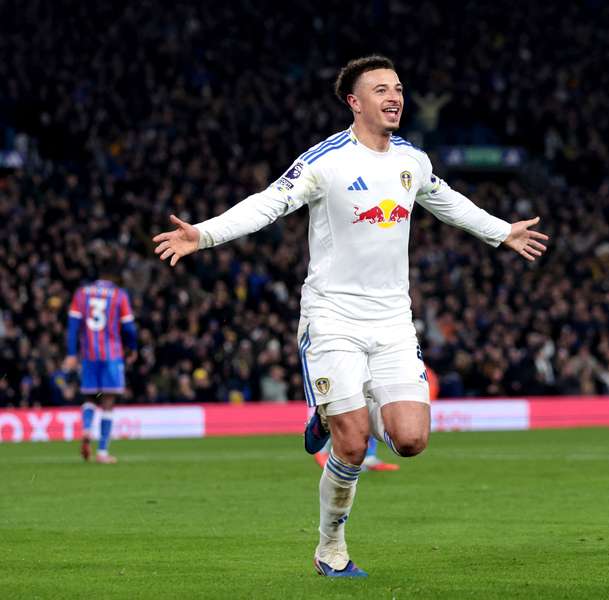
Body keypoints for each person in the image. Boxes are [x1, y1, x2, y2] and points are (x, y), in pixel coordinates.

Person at [151, 55, 547, 577]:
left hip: (392, 322)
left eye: (400, 87)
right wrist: (203, 233)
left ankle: (334, 406)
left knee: (410, 440)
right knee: (354, 443)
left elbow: (449, 202)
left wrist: (503, 231)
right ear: (354, 103)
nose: (395, 96)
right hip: (332, 316)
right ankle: (330, 547)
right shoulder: (326, 160)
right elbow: (267, 203)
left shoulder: (413, 160)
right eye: (382, 88)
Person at [64, 256, 138, 464]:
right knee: (108, 402)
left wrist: (71, 353)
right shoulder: (118, 295)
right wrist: (132, 348)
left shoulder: (81, 294)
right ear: (115, 276)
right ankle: (102, 451)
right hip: (112, 355)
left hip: (88, 355)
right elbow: (130, 328)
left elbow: (72, 327)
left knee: (89, 397)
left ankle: (87, 428)